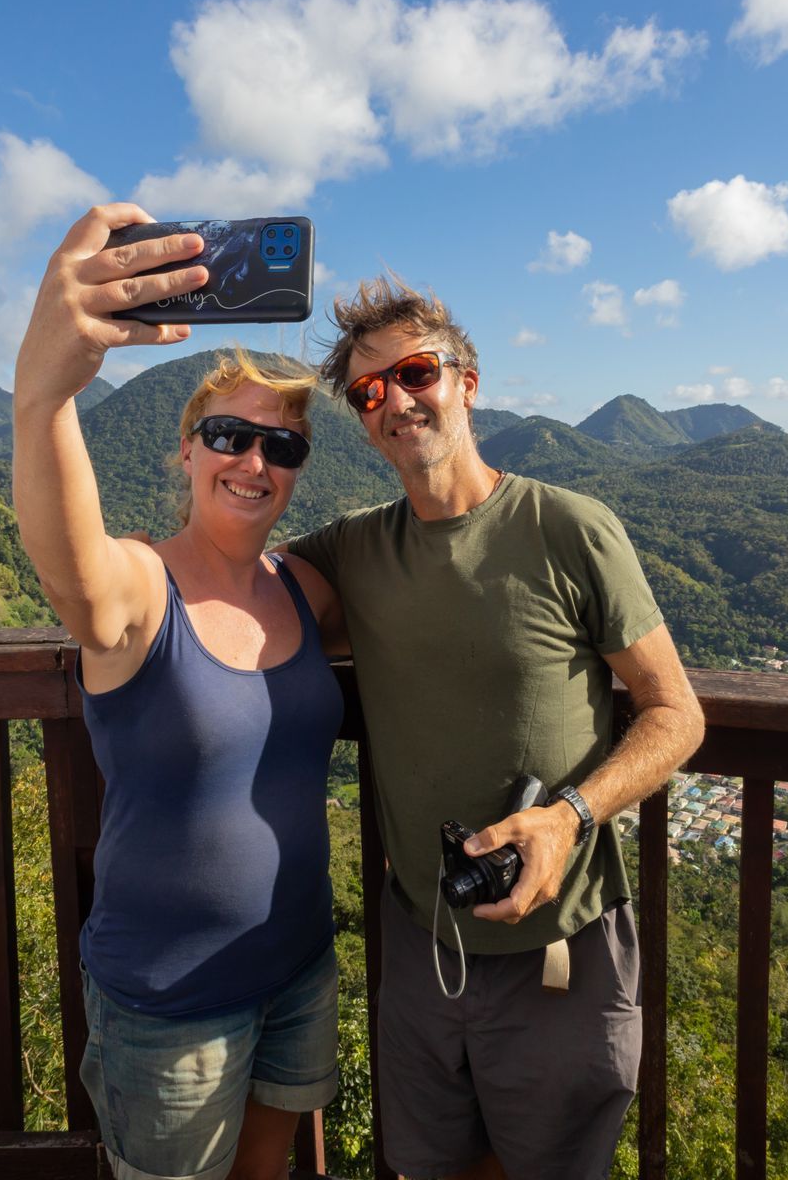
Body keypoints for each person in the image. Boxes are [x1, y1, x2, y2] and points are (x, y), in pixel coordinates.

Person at [283, 276, 707, 1180]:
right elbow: (227, 593)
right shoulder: (356, 550)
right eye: (369, 392)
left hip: (563, 946)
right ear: (361, 421)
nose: (396, 401)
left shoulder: (568, 529)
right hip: (423, 944)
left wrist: (568, 819)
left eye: (416, 373)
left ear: (466, 381)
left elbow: (676, 712)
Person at [13, 203, 347, 1180]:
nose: (255, 461)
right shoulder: (135, 587)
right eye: (231, 435)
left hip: (297, 968)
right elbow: (66, 564)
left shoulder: (305, 587)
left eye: (282, 447)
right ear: (188, 448)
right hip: (169, 1002)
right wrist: (46, 395)